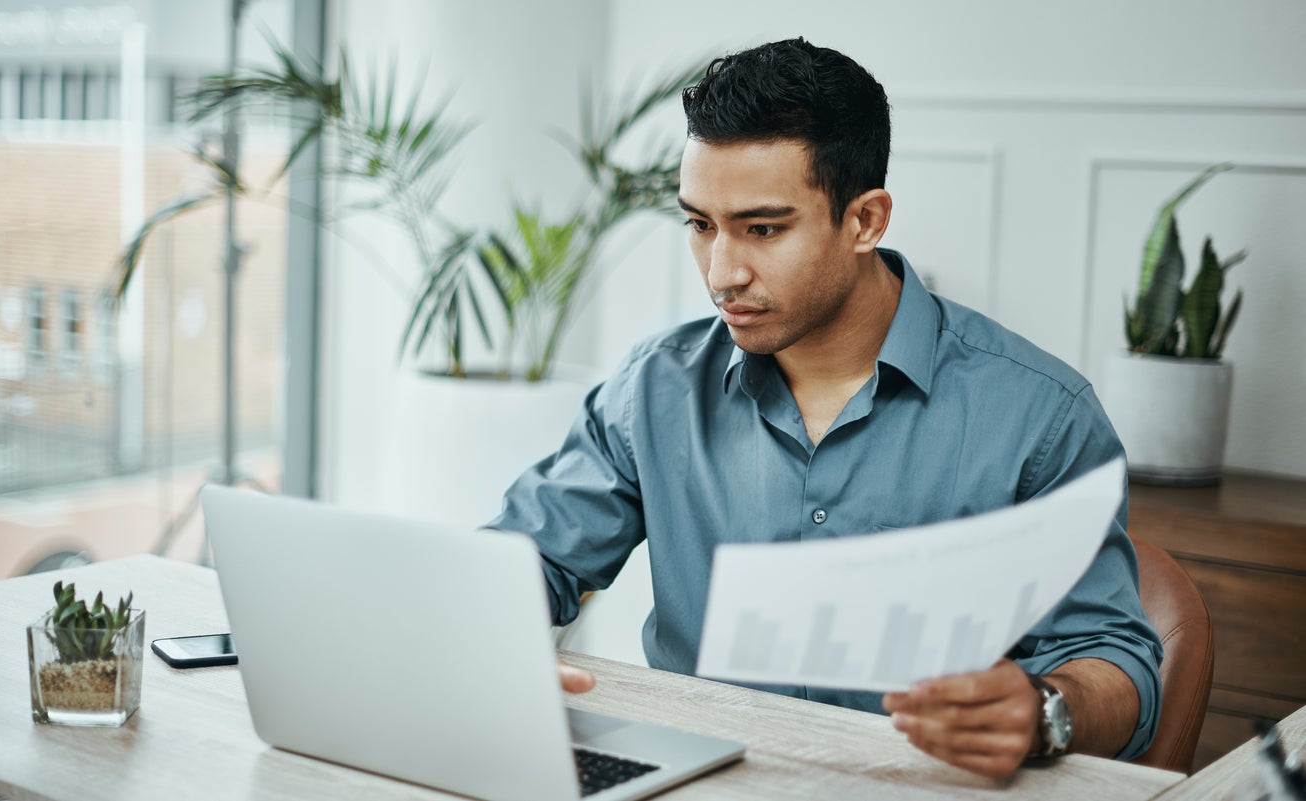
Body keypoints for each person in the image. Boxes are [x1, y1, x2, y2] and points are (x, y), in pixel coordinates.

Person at [490, 37, 1162, 780]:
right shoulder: (654, 389)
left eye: (763, 229)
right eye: (700, 224)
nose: (721, 273)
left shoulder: (1041, 415)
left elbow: (1117, 661)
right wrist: (491, 647)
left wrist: (1042, 711)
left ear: (866, 220)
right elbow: (522, 561)